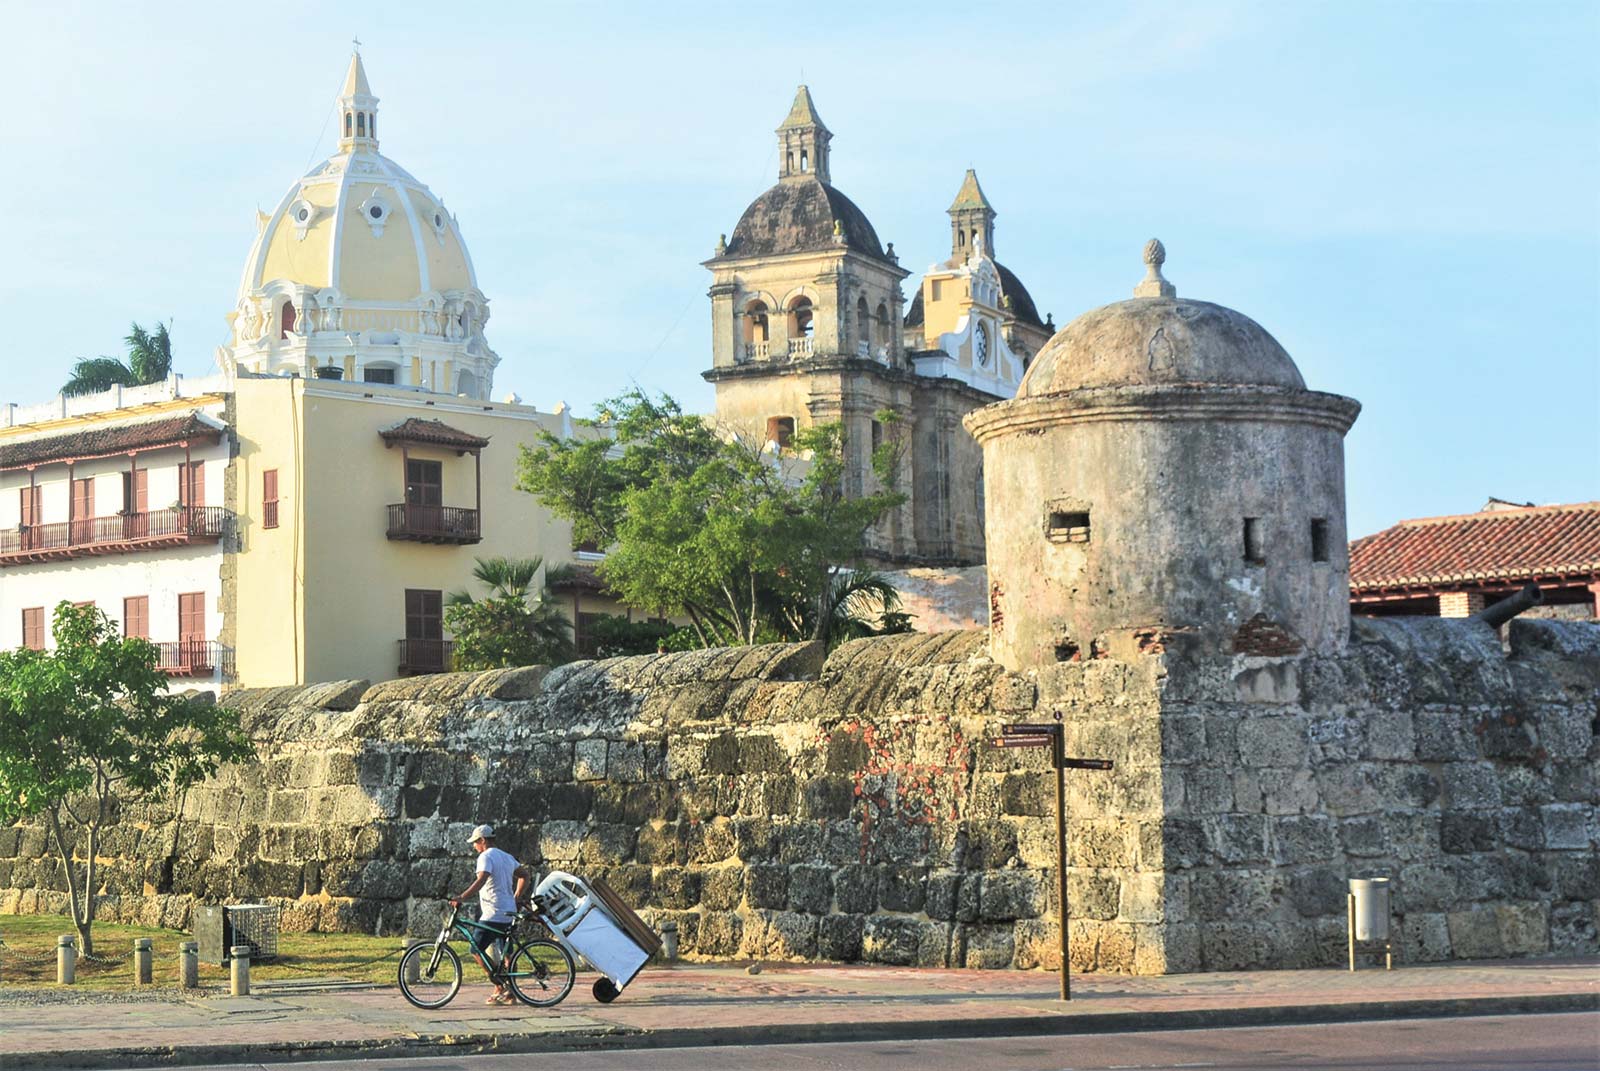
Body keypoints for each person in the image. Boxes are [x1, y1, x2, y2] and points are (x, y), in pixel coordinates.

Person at [449, 823, 526, 1005]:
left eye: (475, 843)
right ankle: (510, 992)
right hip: (509, 911)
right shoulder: (507, 857)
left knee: (475, 949)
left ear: (483, 840)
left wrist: (462, 897)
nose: (474, 847)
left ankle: (500, 985)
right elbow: (525, 875)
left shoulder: (485, 856)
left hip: (494, 913)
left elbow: (482, 878)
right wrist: (516, 897)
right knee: (506, 953)